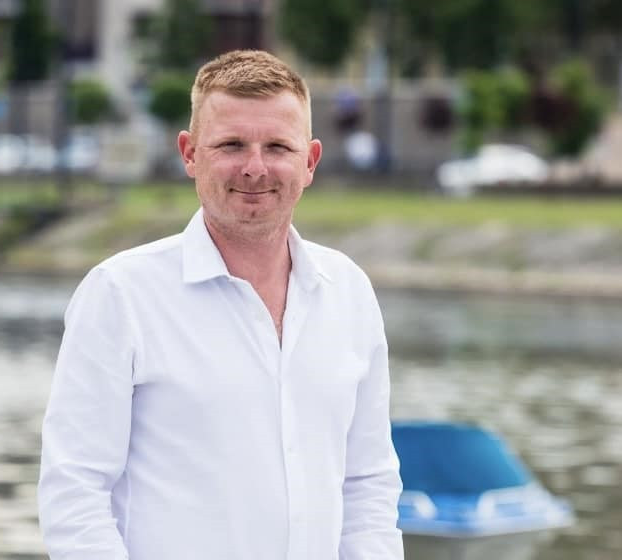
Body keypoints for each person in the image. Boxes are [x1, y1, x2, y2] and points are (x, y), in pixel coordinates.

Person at [38, 49, 403, 560]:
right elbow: (75, 491)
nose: (255, 168)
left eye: (277, 146)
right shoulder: (120, 294)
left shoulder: (349, 292)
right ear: (189, 154)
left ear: (310, 162)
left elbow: (367, 484)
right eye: (232, 145)